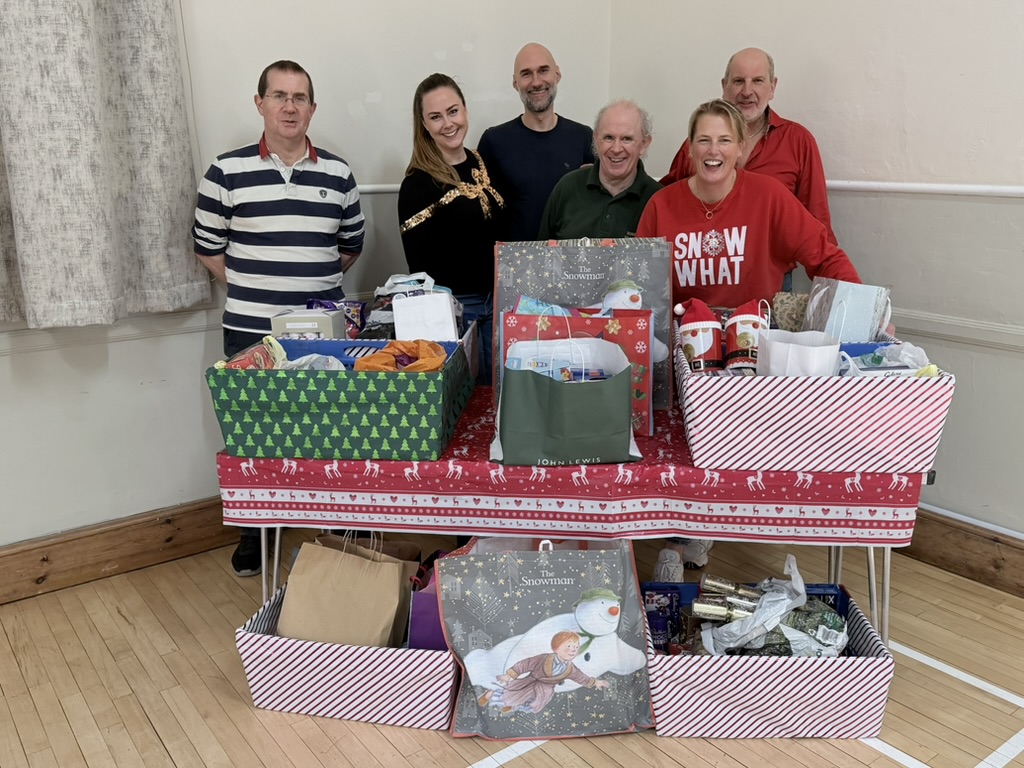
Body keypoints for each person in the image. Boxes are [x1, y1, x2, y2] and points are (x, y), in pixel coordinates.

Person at [636, 98, 860, 569]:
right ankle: (679, 536)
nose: (713, 150)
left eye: (724, 140)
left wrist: (861, 312)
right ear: (690, 148)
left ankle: (704, 527)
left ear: (740, 148)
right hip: (685, 353)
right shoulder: (661, 205)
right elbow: (640, 284)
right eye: (703, 140)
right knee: (680, 446)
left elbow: (825, 254)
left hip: (749, 354)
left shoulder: (769, 197)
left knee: (734, 449)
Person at [193, 60, 364, 577]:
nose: (290, 107)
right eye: (279, 96)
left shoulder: (339, 174)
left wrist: (305, 293)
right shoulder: (225, 172)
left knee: (331, 430)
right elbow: (207, 249)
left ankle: (338, 531)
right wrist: (254, 289)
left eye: (300, 97)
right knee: (252, 434)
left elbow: (350, 247)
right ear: (260, 103)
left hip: (324, 334)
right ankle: (255, 534)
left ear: (313, 108)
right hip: (249, 328)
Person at [660, 47, 837, 290]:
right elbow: (669, 205)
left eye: (758, 81)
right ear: (724, 86)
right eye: (738, 81)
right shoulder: (695, 147)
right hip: (703, 281)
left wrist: (841, 306)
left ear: (772, 87)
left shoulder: (798, 142)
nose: (747, 91)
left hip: (771, 284)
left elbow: (819, 228)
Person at [398, 73, 504, 385]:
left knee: (496, 399)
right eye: (436, 117)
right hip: (458, 312)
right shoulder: (417, 184)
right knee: (468, 405)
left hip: (497, 302)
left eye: (453, 111)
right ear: (424, 124)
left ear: (465, 110)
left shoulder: (481, 162)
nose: (448, 123)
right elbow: (419, 267)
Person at [478, 43, 595, 241]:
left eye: (543, 71)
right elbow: (483, 216)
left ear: (557, 74)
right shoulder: (494, 142)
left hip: (571, 265)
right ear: (515, 83)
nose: (536, 82)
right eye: (526, 74)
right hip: (513, 266)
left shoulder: (584, 137)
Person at [538, 99, 661, 240]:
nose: (616, 149)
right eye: (608, 138)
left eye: (627, 139)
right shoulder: (567, 187)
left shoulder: (658, 200)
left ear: (644, 144)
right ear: (596, 140)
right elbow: (542, 255)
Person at [477, 631, 609, 714]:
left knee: (534, 703)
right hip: (530, 683)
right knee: (511, 694)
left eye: (575, 647)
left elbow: (580, 677)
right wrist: (509, 675)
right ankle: (489, 694)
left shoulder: (570, 668)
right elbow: (526, 664)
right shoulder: (543, 658)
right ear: (556, 648)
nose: (573, 650)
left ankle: (512, 707)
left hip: (544, 690)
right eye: (568, 646)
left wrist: (594, 682)